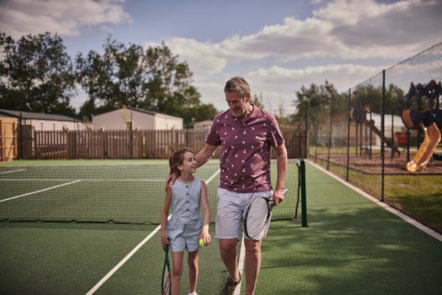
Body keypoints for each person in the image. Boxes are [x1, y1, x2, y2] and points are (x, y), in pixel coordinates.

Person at [167, 77, 287, 295]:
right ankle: (234, 276)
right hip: (229, 191)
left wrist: (278, 188)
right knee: (226, 245)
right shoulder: (220, 121)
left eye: (235, 102)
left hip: (259, 191)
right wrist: (178, 172)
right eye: (228, 102)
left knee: (253, 245)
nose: (232, 107)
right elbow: (206, 152)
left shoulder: (267, 120)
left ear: (247, 97)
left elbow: (281, 152)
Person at [161, 147, 212, 295]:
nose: (195, 162)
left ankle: (192, 291)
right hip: (176, 232)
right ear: (180, 166)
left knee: (192, 263)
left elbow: (206, 210)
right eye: (190, 160)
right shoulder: (172, 186)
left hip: (195, 230)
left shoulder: (201, 184)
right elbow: (164, 211)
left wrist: (205, 229)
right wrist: (163, 233)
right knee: (177, 269)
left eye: (194, 159)